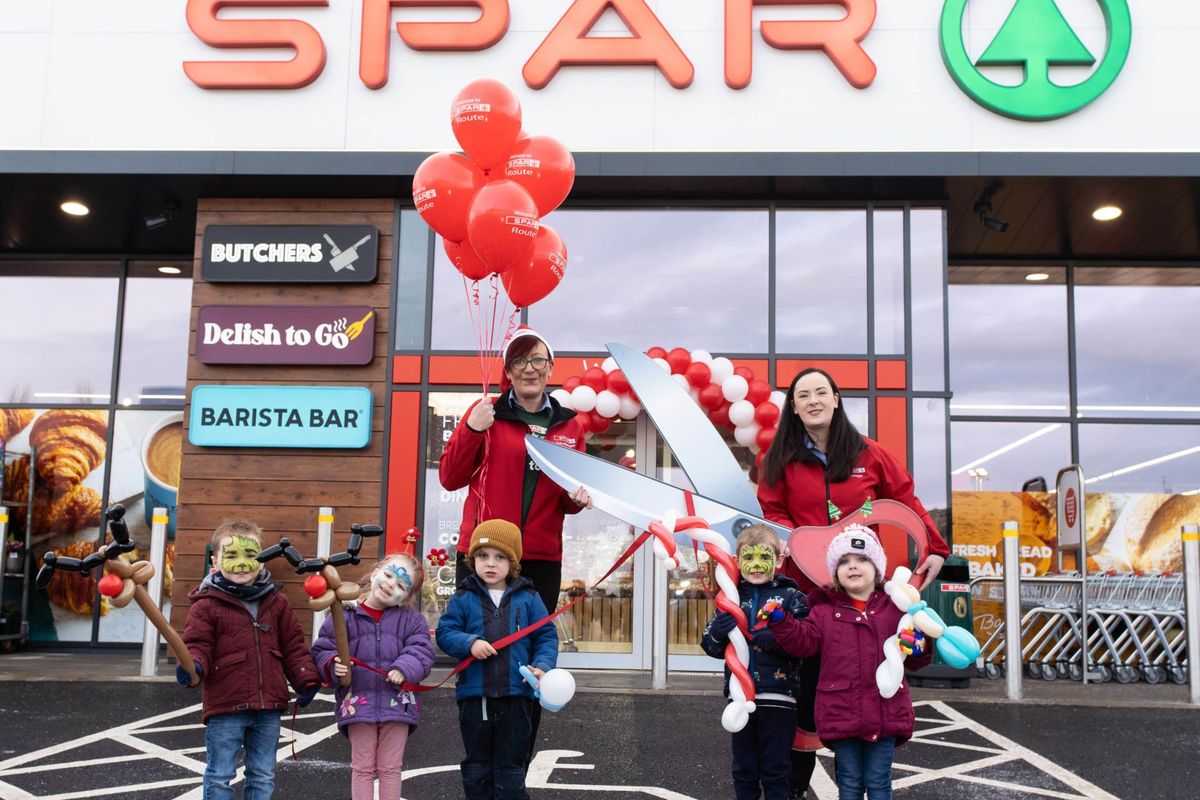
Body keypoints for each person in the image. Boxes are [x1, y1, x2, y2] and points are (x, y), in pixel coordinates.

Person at [757, 367, 950, 800]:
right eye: (802, 395)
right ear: (793, 406)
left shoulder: (870, 454)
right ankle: (791, 787)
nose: (812, 401)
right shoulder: (780, 458)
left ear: (837, 398)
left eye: (820, 392)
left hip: (864, 598)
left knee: (864, 683)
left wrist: (934, 546)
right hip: (807, 591)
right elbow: (772, 509)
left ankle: (868, 781)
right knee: (803, 694)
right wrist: (789, 537)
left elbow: (906, 501)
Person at [439, 324, 592, 618]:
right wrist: (472, 429)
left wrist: (577, 500)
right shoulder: (486, 411)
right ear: (508, 372)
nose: (529, 369)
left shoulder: (571, 426)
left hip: (540, 556)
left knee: (532, 643)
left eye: (537, 360)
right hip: (485, 551)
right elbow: (449, 478)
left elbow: (566, 501)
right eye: (519, 361)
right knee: (478, 640)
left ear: (550, 368)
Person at [768, 526, 932, 800]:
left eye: (862, 559)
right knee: (850, 782)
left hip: (885, 712)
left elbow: (916, 658)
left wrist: (918, 645)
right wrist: (781, 623)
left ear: (877, 568)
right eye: (844, 561)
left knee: (879, 782)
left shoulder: (895, 609)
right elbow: (804, 642)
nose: (853, 567)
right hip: (841, 711)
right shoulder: (823, 611)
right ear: (836, 573)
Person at [180, 520, 320, 800]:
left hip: (268, 706)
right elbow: (198, 644)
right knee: (220, 775)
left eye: (250, 555)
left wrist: (306, 677)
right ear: (215, 561)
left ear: (263, 559)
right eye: (231, 555)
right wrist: (193, 665)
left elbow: (292, 645)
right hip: (226, 706)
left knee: (263, 773)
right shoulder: (206, 605)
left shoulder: (277, 602)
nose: (242, 564)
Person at [435, 519, 559, 800]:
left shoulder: (529, 598)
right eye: (483, 556)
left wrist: (541, 666)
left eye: (500, 557)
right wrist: (470, 643)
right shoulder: (463, 597)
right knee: (477, 765)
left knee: (511, 766)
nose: (490, 563)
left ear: (513, 562)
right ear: (473, 559)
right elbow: (445, 633)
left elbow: (546, 637)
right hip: (474, 695)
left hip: (517, 695)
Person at [311, 553, 435, 800]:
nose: (390, 584)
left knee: (390, 768)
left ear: (408, 596)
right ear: (376, 571)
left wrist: (404, 667)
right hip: (358, 703)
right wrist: (332, 665)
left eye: (401, 585)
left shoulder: (412, 620)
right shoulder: (345, 615)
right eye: (389, 575)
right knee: (362, 768)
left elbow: (421, 649)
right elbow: (323, 648)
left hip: (398, 704)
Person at [701, 524, 809, 800]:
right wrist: (718, 630)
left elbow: (805, 643)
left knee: (776, 770)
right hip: (739, 699)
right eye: (749, 558)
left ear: (779, 560)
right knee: (744, 768)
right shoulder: (731, 598)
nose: (757, 565)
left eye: (764, 557)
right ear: (737, 561)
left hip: (779, 699)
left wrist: (780, 639)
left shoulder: (792, 598)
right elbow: (711, 647)